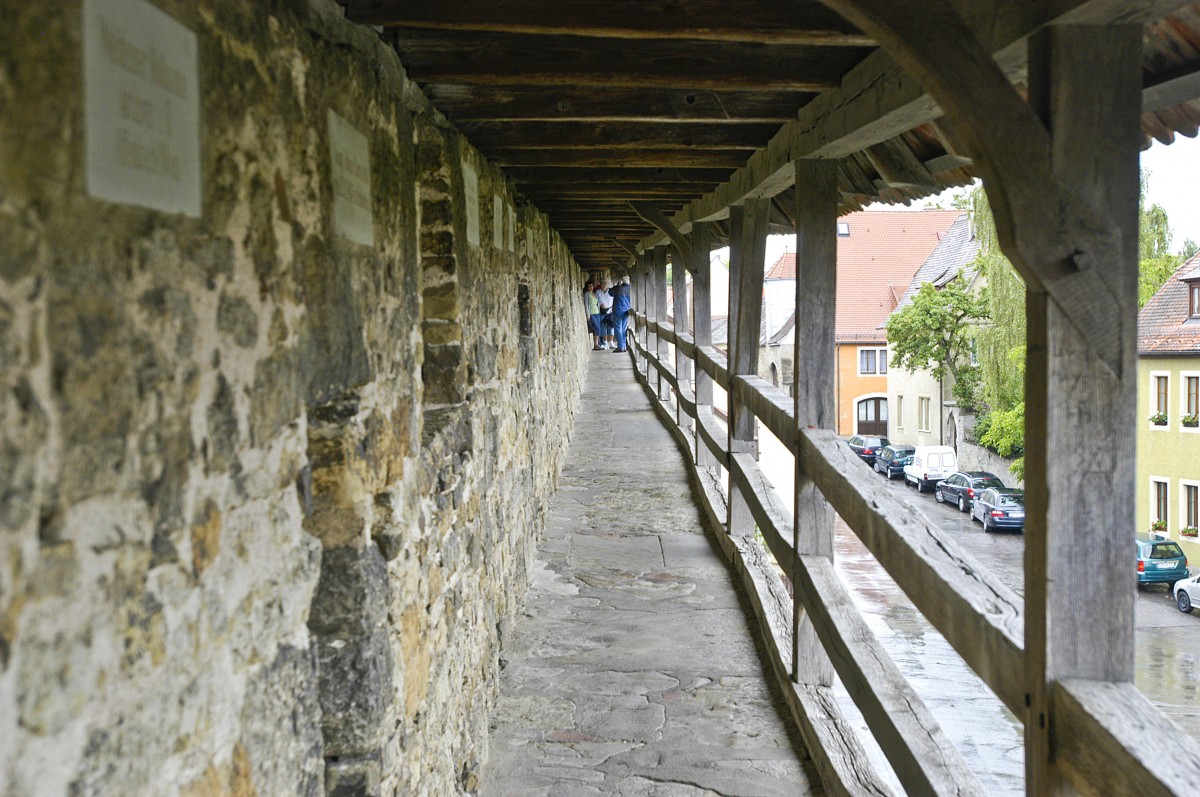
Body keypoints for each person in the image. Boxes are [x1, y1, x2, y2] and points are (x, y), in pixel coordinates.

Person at [609, 277, 632, 352]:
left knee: (618, 328)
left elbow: (610, 293)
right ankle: (624, 346)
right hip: (626, 311)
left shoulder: (618, 288)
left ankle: (620, 346)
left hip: (617, 311)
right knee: (624, 328)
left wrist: (616, 285)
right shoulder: (631, 289)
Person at [594, 281, 614, 349]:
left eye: (605, 283)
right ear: (600, 284)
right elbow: (595, 300)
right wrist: (600, 304)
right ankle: (605, 343)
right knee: (603, 327)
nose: (603, 285)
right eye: (602, 283)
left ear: (607, 284)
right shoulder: (598, 292)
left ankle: (611, 342)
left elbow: (614, 300)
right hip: (602, 311)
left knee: (611, 327)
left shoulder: (611, 291)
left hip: (610, 311)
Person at [584, 280, 602, 349]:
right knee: (597, 328)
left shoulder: (594, 294)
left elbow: (598, 303)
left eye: (591, 286)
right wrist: (588, 315)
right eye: (589, 286)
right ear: (587, 287)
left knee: (597, 329)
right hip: (591, 313)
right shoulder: (586, 294)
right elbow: (586, 304)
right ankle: (596, 345)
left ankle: (597, 344)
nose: (590, 288)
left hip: (597, 313)